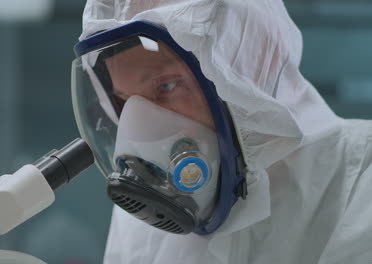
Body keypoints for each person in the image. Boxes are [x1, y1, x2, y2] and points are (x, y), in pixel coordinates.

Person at [71, 0, 372, 263]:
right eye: (124, 102)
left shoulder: (360, 179)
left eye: (165, 86)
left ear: (245, 68)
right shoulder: (148, 217)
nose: (138, 134)